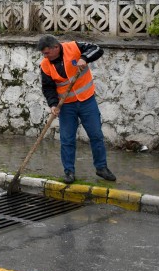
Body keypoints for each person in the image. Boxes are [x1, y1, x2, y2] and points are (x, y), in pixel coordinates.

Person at [37, 35, 116, 184]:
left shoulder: (73, 47)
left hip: (87, 100)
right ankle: (69, 172)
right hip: (66, 105)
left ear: (56, 47)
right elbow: (48, 88)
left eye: (47, 53)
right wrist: (53, 104)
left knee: (96, 135)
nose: (45, 56)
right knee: (67, 140)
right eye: (43, 54)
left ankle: (101, 168)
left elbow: (97, 49)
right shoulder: (45, 65)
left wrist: (85, 58)